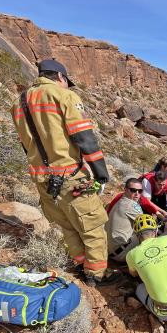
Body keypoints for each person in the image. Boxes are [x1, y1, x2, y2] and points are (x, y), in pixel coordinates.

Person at [11, 59, 109, 285]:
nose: (67, 86)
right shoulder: (64, 96)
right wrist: (100, 173)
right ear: (60, 77)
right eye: (67, 82)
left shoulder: (18, 102)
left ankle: (80, 264)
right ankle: (96, 275)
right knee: (93, 228)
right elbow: (83, 138)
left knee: (66, 225)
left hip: (41, 178)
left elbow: (26, 145)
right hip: (69, 176)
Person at [107, 177, 144, 263]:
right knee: (149, 234)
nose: (137, 194)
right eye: (133, 190)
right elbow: (146, 225)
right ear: (125, 190)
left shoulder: (121, 201)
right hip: (121, 253)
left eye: (140, 191)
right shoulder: (131, 205)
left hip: (111, 251)